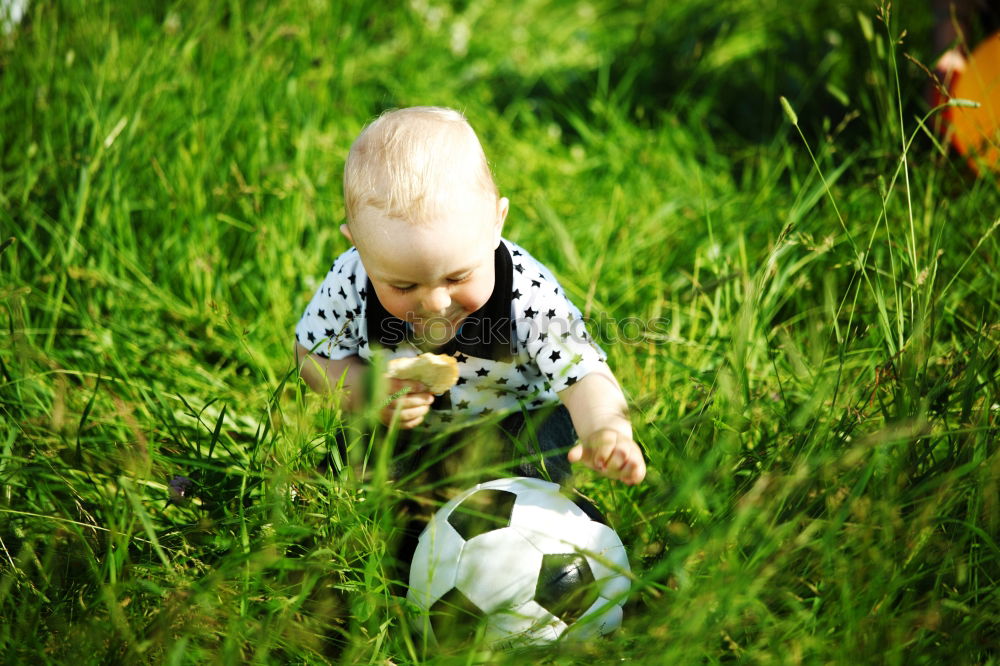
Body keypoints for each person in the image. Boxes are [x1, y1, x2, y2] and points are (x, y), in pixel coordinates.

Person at [294, 106, 645, 487]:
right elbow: (310, 355)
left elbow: (584, 376)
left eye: (458, 276)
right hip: (402, 426)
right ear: (358, 247)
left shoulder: (526, 293)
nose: (436, 303)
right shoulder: (351, 279)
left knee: (530, 467)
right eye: (404, 286)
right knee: (354, 467)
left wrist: (607, 430)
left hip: (513, 420)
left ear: (497, 222)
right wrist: (366, 390)